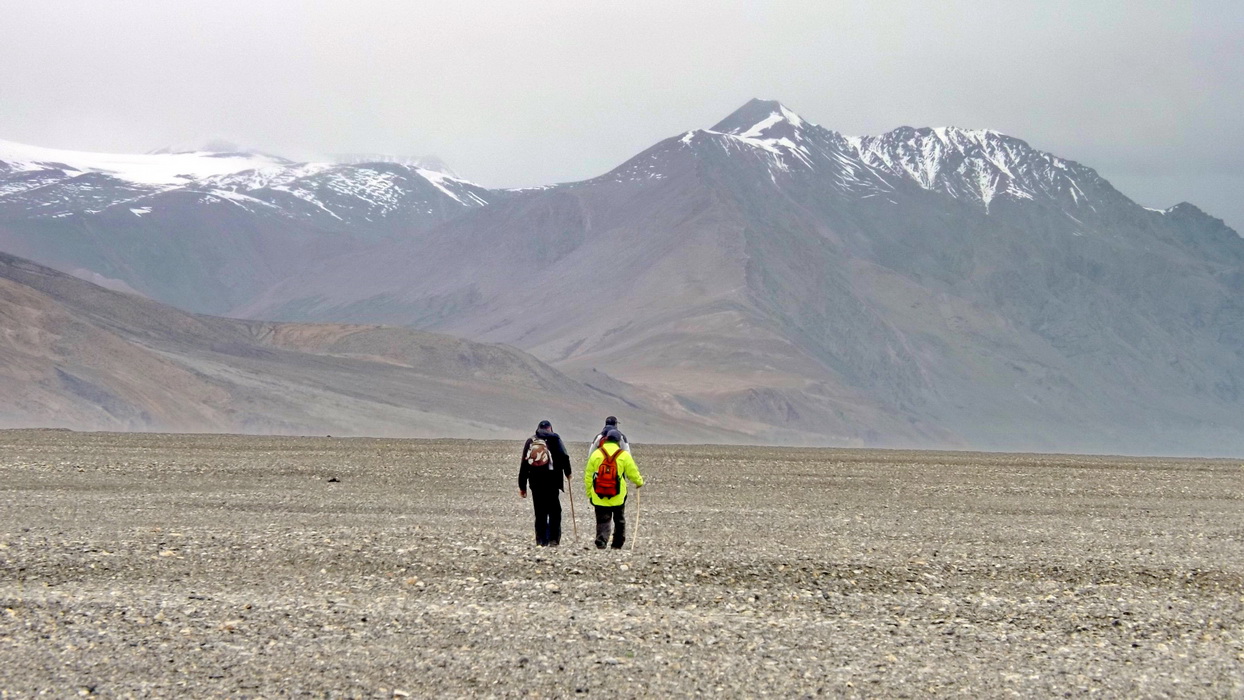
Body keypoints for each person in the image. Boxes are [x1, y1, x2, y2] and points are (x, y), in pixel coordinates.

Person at [583, 428, 644, 549]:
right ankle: (617, 543)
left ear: (606, 440)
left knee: (602, 520)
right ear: (618, 441)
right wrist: (639, 482)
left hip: (599, 494)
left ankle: (601, 540)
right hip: (618, 495)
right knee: (619, 519)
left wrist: (590, 493)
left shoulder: (596, 454)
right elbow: (632, 472)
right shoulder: (623, 455)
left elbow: (588, 476)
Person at [519, 420, 572, 546]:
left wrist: (522, 486)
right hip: (553, 482)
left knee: (540, 512)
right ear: (550, 428)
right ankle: (554, 539)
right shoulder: (555, 439)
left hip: (536, 482)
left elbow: (524, 465)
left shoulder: (531, 441)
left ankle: (541, 540)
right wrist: (568, 473)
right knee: (555, 511)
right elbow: (564, 456)